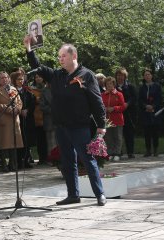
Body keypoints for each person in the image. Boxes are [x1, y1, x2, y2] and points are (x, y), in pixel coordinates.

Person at [23, 35, 107, 206]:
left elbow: (97, 101)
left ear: (73, 56)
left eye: (63, 56)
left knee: (88, 160)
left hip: (80, 126)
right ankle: (73, 195)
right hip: (61, 126)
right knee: (68, 161)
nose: (60, 59)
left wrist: (101, 126)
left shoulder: (86, 75)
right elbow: (37, 67)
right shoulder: (57, 75)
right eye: (59, 56)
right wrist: (28, 48)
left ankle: (100, 194)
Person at [0, 71, 24, 172]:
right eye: (2, 78)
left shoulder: (13, 89)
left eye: (6, 77)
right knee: (4, 143)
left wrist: (17, 109)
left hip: (14, 119)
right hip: (3, 119)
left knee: (14, 143)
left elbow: (19, 102)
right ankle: (4, 165)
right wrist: (8, 109)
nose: (4, 79)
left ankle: (13, 164)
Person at [10, 71, 35, 168]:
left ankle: (26, 160)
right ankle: (18, 161)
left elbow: (33, 102)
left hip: (27, 118)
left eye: (22, 79)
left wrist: (27, 110)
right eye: (18, 79)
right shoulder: (13, 91)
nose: (21, 81)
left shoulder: (28, 90)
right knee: (20, 140)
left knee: (27, 140)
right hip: (18, 118)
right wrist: (20, 111)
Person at [138, 69, 162, 157]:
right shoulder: (142, 87)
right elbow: (140, 100)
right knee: (147, 132)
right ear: (144, 77)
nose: (147, 76)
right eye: (145, 75)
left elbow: (159, 98)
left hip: (155, 112)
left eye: (149, 74)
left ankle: (155, 149)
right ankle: (148, 150)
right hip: (145, 113)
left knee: (155, 132)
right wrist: (146, 106)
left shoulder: (157, 86)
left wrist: (153, 106)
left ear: (151, 76)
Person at [101, 77, 125, 161]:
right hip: (107, 120)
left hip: (117, 119)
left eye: (111, 83)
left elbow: (123, 107)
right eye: (107, 84)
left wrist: (114, 108)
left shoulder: (119, 94)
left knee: (118, 137)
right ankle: (110, 153)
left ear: (114, 84)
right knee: (108, 137)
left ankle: (117, 153)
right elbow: (100, 106)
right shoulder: (102, 95)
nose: (109, 85)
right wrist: (105, 109)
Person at [115, 67, 137, 159]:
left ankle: (130, 152)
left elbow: (134, 97)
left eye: (122, 75)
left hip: (128, 114)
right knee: (118, 134)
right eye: (118, 75)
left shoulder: (130, 86)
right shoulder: (114, 87)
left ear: (125, 77)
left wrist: (127, 104)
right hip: (117, 113)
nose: (120, 77)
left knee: (129, 133)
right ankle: (118, 152)